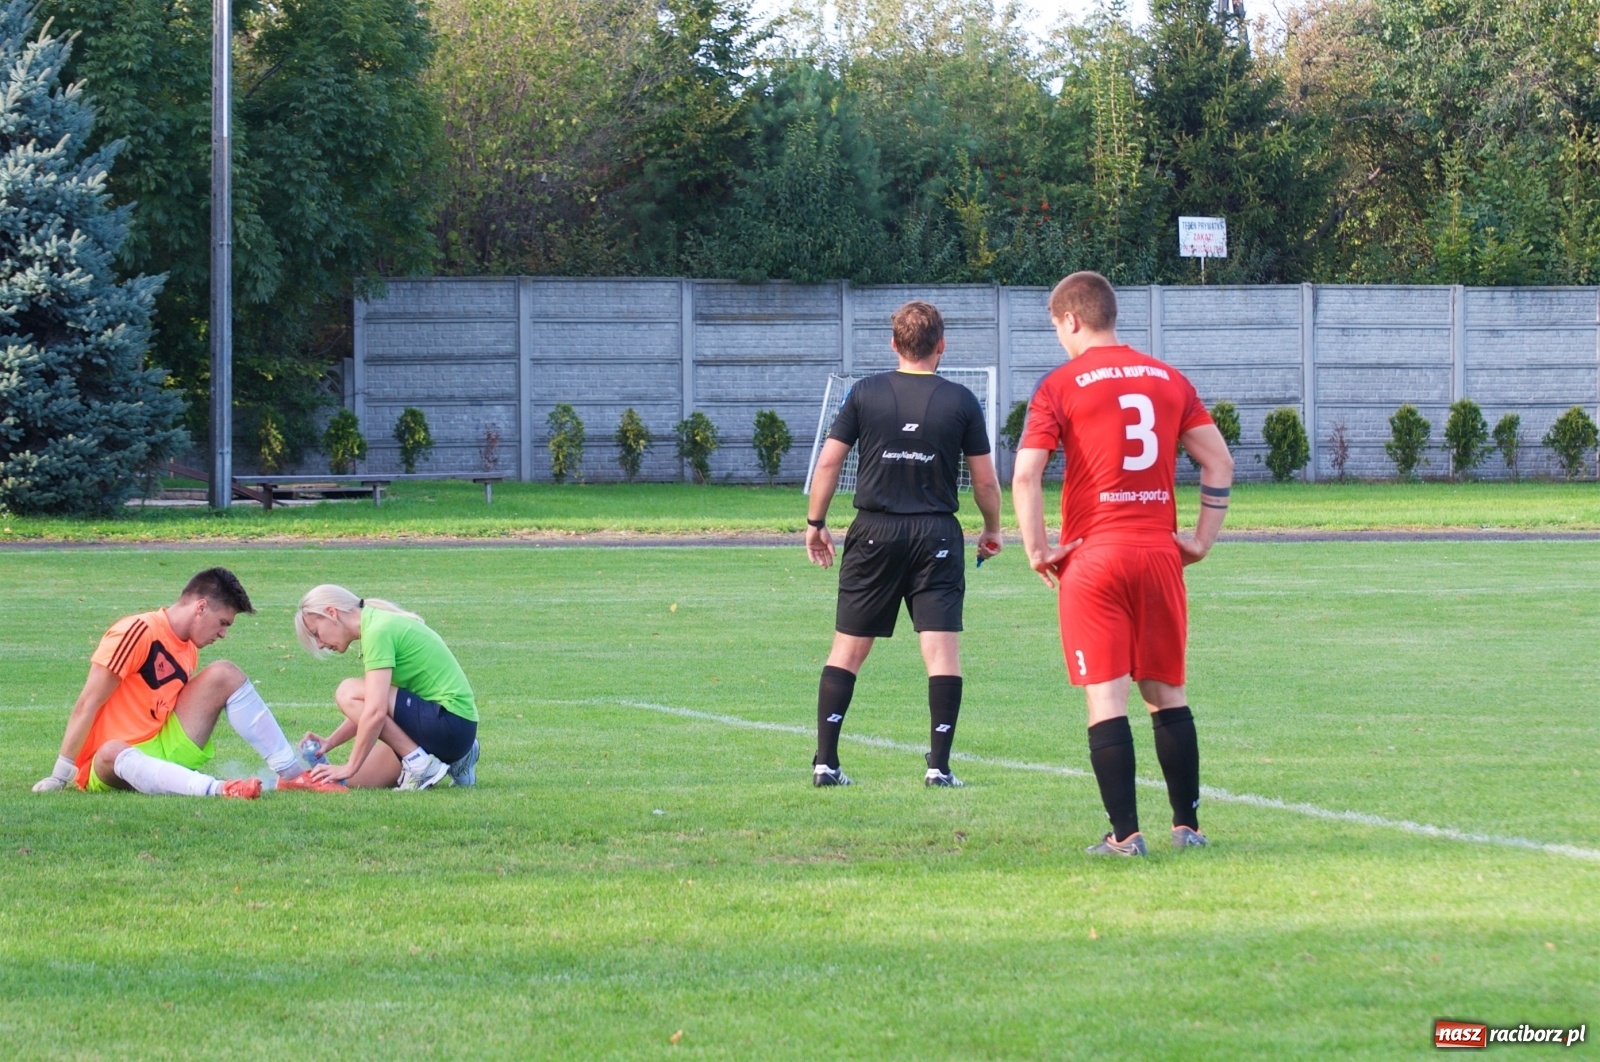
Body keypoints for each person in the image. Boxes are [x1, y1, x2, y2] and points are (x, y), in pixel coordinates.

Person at [1012, 271, 1234, 856]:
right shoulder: (1168, 378)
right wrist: (1202, 539)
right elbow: (1220, 464)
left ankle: (1125, 835)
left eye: (1056, 327)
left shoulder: (1060, 385)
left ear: (1071, 320)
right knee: (1167, 693)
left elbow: (1026, 473)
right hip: (1159, 552)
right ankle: (1187, 827)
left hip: (1094, 555)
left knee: (1106, 699)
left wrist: (1037, 549)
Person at [805, 300, 1004, 788]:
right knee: (942, 654)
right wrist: (992, 528)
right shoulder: (961, 400)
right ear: (942, 346)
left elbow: (829, 463)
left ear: (894, 344)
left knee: (847, 650)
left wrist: (816, 521)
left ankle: (826, 763)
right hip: (935, 533)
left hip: (872, 531)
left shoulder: (864, 392)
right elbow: (984, 481)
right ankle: (939, 767)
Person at [31, 567, 341, 798]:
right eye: (223, 623)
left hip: (163, 746)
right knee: (112, 750)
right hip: (106, 762)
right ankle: (220, 789)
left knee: (224, 673)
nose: (223, 634)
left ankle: (294, 775)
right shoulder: (136, 631)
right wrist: (60, 775)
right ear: (201, 607)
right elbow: (88, 702)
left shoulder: (189, 648)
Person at [294, 585, 479, 790]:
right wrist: (330, 742)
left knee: (346, 691)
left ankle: (419, 763)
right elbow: (374, 704)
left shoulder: (377, 631)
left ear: (331, 612)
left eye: (316, 633)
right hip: (457, 729)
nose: (320, 644)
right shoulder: (376, 623)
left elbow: (375, 710)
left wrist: (349, 766)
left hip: (448, 726)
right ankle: (459, 758)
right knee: (354, 782)